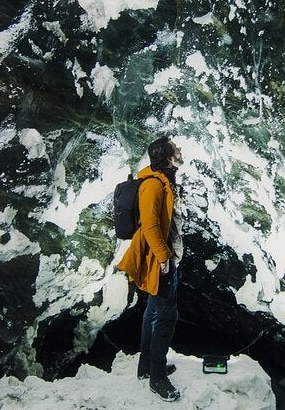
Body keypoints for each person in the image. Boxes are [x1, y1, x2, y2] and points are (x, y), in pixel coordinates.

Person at [117, 136, 184, 402]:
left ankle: (146, 366)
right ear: (168, 156)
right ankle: (157, 377)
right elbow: (150, 225)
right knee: (166, 315)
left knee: (153, 311)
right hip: (160, 260)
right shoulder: (153, 186)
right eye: (176, 148)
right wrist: (165, 258)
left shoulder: (164, 180)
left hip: (164, 256)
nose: (181, 150)